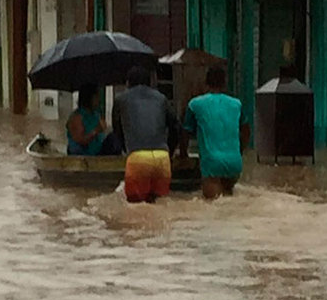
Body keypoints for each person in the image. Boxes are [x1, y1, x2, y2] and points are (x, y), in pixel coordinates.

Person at [112, 66, 179, 203]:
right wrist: (169, 152)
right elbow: (176, 127)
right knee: (159, 206)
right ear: (150, 83)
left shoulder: (120, 99)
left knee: (136, 210)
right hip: (162, 158)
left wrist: (127, 150)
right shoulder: (162, 98)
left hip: (137, 157)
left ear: (128, 83)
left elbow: (117, 130)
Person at [182, 66, 249, 199]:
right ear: (224, 83)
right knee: (229, 206)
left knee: (213, 207)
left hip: (211, 163)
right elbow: (246, 131)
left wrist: (183, 155)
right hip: (234, 163)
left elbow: (185, 132)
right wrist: (238, 151)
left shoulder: (195, 104)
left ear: (206, 83)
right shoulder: (237, 104)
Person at [66, 84, 121, 156]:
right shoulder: (77, 117)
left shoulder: (96, 114)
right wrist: (96, 131)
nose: (98, 100)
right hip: (83, 153)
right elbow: (80, 140)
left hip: (98, 151)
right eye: (96, 97)